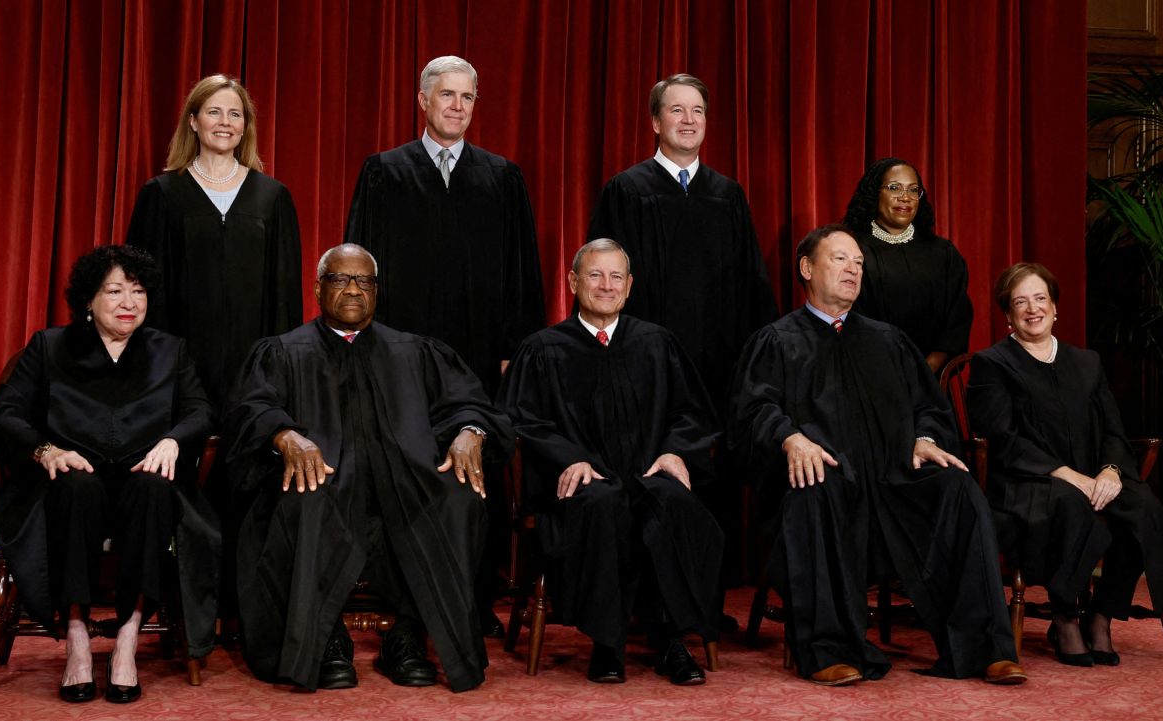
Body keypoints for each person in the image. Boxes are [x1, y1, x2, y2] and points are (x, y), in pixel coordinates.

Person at [728, 224, 1025, 687]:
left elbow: (929, 406)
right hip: (830, 484)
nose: (853, 269)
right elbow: (751, 413)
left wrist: (925, 437)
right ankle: (830, 648)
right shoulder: (777, 341)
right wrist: (789, 437)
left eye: (859, 263)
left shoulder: (889, 340)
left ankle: (985, 648)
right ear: (807, 268)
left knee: (958, 489)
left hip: (893, 480)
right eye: (840, 259)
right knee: (812, 489)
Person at [225, 243, 513, 693]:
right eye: (340, 279)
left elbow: (469, 403)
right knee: (305, 497)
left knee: (459, 499)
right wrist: (283, 434)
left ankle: (407, 636)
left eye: (364, 281)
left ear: (377, 291)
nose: (353, 290)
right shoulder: (283, 352)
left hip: (407, 482)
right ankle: (323, 641)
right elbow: (249, 408)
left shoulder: (415, 351)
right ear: (318, 288)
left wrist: (470, 431)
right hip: (328, 482)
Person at [0, 245, 218, 704]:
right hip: (71, 483)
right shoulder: (49, 347)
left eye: (138, 290)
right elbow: (1, 414)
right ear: (88, 300)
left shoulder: (169, 351)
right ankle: (76, 636)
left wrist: (174, 440)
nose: (129, 302)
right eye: (114, 291)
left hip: (140, 479)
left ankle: (129, 635)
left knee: (154, 490)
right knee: (76, 486)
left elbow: (201, 411)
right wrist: (45, 450)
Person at [499, 239, 723, 685]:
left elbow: (692, 412)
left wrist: (675, 451)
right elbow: (519, 420)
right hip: (580, 483)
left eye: (616, 276)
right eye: (595, 275)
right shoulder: (543, 348)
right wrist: (570, 458)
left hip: (646, 472)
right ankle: (607, 642)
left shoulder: (658, 343)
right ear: (573, 282)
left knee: (669, 502)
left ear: (630, 285)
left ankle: (669, 639)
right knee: (602, 503)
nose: (606, 286)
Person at [587, 73, 778, 582]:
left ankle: (704, 595)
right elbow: (601, 284)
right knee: (647, 467)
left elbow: (752, 285)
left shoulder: (728, 195)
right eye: (676, 110)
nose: (688, 120)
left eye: (697, 111)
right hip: (646, 363)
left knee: (708, 468)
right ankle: (643, 593)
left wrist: (756, 359)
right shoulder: (626, 191)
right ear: (655, 121)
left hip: (718, 360)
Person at [967, 262, 1163, 667]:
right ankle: (1065, 615)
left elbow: (1114, 431)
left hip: (1092, 474)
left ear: (1055, 307)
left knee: (1146, 513)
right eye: (1020, 302)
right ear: (1008, 315)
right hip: (1027, 480)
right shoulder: (993, 363)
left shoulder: (1087, 363)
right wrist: (1068, 475)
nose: (1033, 309)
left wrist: (1111, 471)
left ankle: (1101, 614)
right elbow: (1002, 437)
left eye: (1040, 299)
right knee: (1070, 504)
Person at [343, 55, 544, 398]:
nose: (458, 106)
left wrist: (515, 349)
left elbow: (521, 271)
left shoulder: (502, 178)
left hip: (480, 349)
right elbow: (357, 265)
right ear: (423, 100)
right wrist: (359, 335)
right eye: (447, 95)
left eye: (467, 97)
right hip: (398, 346)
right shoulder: (384, 172)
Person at [126, 74, 303, 407]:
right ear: (193, 121)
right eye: (214, 112)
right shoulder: (162, 194)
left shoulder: (272, 197)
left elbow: (285, 294)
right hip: (178, 362)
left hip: (253, 366)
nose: (225, 123)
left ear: (245, 126)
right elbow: (141, 287)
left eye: (235, 114)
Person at [841, 157, 972, 376]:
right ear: (875, 193)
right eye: (894, 188)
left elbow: (957, 321)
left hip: (932, 382)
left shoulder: (943, 253)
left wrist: (925, 371)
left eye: (913, 190)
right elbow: (852, 321)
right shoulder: (853, 250)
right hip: (873, 378)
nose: (905, 197)